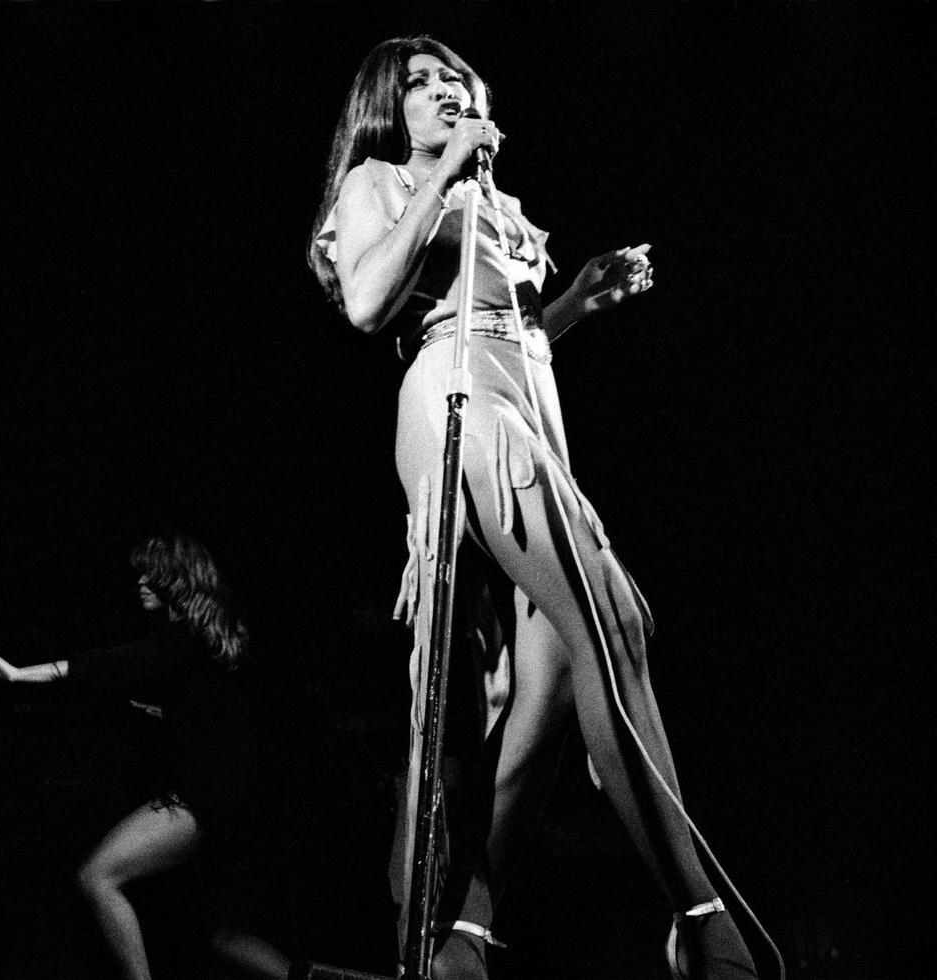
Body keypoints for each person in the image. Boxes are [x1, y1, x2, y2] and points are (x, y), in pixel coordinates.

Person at [307, 36, 758, 980]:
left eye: (450, 79)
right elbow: (366, 304)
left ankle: (466, 933)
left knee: (545, 681)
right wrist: (443, 181)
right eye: (416, 86)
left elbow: (513, 329)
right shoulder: (380, 181)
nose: (439, 93)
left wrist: (576, 305)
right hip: (454, 399)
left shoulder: (499, 204)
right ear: (391, 109)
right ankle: (702, 918)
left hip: (528, 407)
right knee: (615, 618)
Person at [0, 532, 292, 980]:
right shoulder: (210, 641)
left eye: (148, 573)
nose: (138, 581)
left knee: (97, 877)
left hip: (204, 800)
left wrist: (19, 674)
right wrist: (165, 715)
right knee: (219, 934)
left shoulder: (182, 641)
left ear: (173, 579)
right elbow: (214, 716)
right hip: (232, 804)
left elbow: (103, 664)